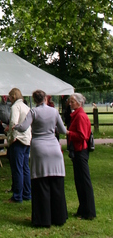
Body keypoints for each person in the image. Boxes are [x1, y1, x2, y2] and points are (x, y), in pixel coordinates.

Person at [14, 89, 68, 227]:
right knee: (56, 183)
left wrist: (16, 126)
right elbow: (62, 130)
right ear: (45, 98)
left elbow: (24, 127)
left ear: (34, 99)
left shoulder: (34, 112)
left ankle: (43, 219)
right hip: (54, 148)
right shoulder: (54, 112)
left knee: (41, 184)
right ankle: (59, 217)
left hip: (40, 148)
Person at [67, 93, 96, 220]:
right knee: (79, 181)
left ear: (79, 103)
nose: (70, 103)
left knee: (84, 181)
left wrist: (68, 133)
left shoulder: (80, 116)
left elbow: (83, 136)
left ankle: (89, 211)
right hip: (77, 151)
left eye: (72, 101)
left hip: (81, 151)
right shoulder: (76, 115)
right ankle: (82, 208)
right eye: (70, 101)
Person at [6, 88, 31, 203]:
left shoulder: (15, 107)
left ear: (14, 97)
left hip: (18, 139)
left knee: (17, 169)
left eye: (10, 97)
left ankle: (17, 196)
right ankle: (27, 193)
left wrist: (11, 138)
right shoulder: (27, 107)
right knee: (25, 168)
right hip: (27, 139)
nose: (9, 100)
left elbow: (13, 123)